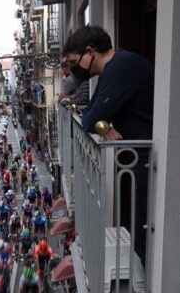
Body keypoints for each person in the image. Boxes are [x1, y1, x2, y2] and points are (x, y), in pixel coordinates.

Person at [62, 25, 154, 262]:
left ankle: (141, 280)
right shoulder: (113, 69)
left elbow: (91, 118)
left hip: (144, 162)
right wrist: (105, 126)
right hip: (134, 160)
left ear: (90, 52)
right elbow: (89, 114)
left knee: (140, 229)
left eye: (73, 62)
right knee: (134, 223)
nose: (72, 70)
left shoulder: (121, 67)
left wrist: (100, 123)